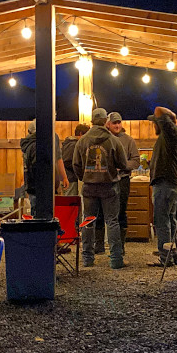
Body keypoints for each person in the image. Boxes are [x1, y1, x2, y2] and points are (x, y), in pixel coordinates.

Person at [72, 108, 128, 269]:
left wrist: (85, 177)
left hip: (89, 187)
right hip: (109, 186)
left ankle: (87, 259)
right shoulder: (113, 141)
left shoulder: (82, 141)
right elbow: (123, 164)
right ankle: (116, 260)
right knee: (112, 221)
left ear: (92, 121)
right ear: (106, 122)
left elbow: (75, 165)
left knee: (88, 221)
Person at [94, 112, 140, 256]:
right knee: (99, 212)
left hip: (122, 180)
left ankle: (120, 247)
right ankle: (99, 245)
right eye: (114, 123)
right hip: (105, 180)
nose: (117, 125)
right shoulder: (104, 139)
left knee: (120, 212)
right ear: (107, 124)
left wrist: (123, 166)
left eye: (119, 123)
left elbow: (136, 161)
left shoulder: (129, 141)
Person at [147, 106, 177, 267]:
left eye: (155, 122)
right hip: (170, 183)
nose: (154, 125)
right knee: (170, 220)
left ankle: (165, 258)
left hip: (165, 184)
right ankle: (174, 255)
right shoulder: (168, 138)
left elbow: (158, 110)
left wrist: (172, 116)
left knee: (162, 222)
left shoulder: (171, 134)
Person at [20, 119, 69, 217]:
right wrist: (63, 178)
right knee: (45, 217)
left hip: (33, 186)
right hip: (44, 187)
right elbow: (55, 160)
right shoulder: (40, 143)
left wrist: (63, 177)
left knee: (36, 214)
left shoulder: (28, 144)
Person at [61, 123, 90, 196]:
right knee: (70, 202)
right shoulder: (73, 144)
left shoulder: (70, 143)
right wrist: (79, 167)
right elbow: (67, 161)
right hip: (70, 179)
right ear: (81, 134)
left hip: (69, 178)